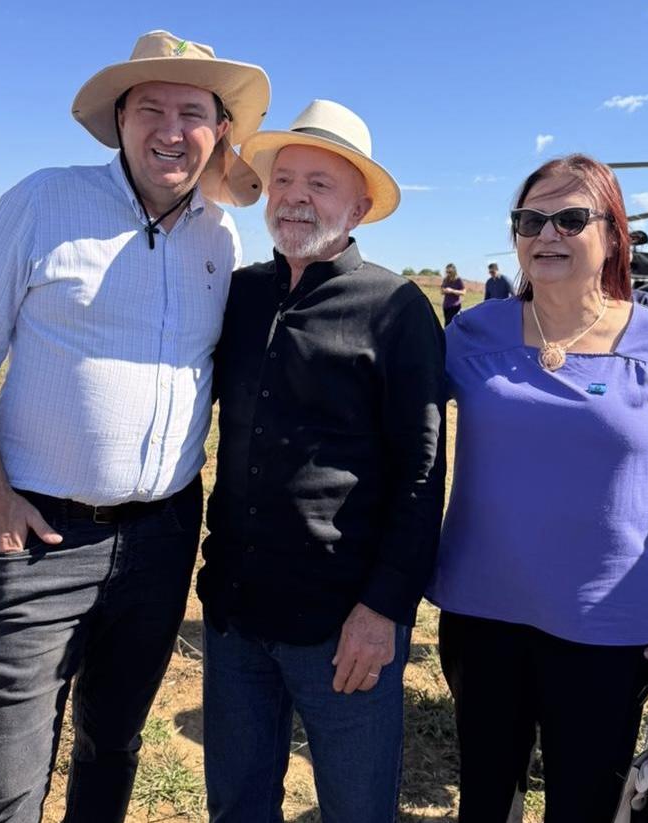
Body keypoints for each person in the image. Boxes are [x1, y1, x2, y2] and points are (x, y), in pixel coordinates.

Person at [0, 31, 270, 823]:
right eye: (150, 107)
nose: (170, 129)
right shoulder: (44, 200)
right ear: (119, 119)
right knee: (8, 779)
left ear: (218, 133)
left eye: (193, 112)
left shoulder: (220, 235)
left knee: (113, 745)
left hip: (162, 537)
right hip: (38, 534)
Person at [428, 154, 648, 823]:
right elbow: (390, 420)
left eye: (570, 218)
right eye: (530, 219)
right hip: (481, 616)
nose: (546, 234)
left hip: (607, 627)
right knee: (483, 798)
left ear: (613, 235)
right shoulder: (472, 333)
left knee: (585, 806)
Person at [197, 99, 446, 823]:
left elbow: (422, 472)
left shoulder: (397, 309)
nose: (295, 198)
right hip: (235, 606)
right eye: (284, 180)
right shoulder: (240, 295)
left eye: (320, 184)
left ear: (360, 206)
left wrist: (383, 611)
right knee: (237, 805)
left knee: (355, 809)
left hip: (344, 625)